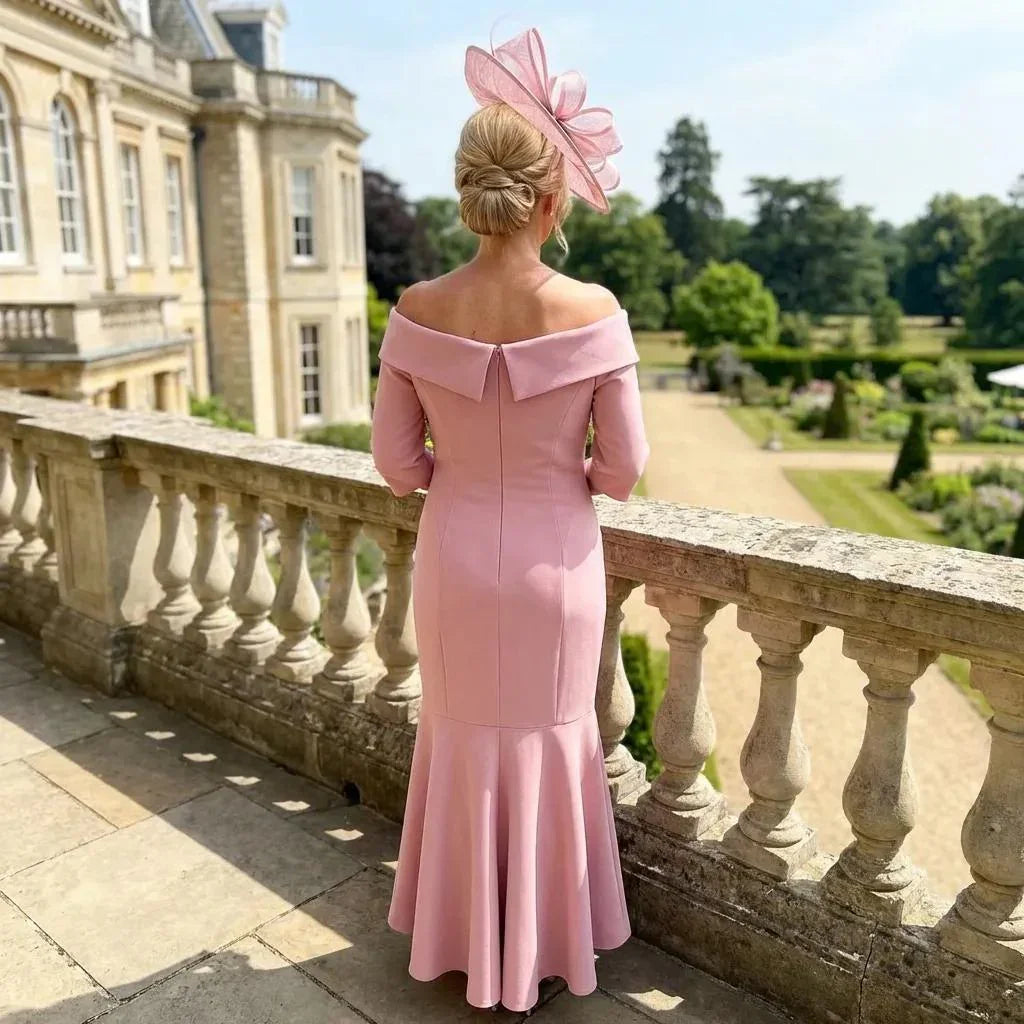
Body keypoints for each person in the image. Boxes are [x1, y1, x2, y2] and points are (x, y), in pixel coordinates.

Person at [371, 26, 649, 1014]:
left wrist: (471, 466)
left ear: (466, 191)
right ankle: (540, 946)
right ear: (551, 194)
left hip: (453, 555)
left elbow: (398, 467)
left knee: (458, 734)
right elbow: (621, 472)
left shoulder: (416, 307)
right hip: (554, 563)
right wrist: (543, 467)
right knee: (548, 737)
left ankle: (459, 939)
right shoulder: (594, 311)